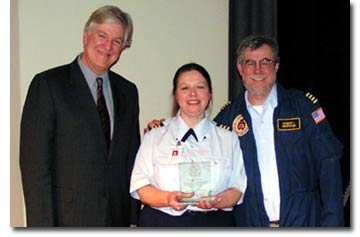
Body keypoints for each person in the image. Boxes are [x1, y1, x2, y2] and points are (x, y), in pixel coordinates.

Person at [147, 35, 345, 227]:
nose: (257, 70)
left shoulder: (303, 108)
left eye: (265, 62)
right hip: (250, 224)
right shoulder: (228, 118)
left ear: (276, 66)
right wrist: (164, 129)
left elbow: (329, 166)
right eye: (250, 63)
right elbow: (198, 145)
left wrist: (333, 223)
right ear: (240, 68)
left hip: (303, 222)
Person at [20, 5, 141, 227]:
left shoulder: (128, 92)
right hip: (67, 219)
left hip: (116, 219)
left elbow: (131, 160)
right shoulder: (48, 85)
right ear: (86, 36)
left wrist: (133, 218)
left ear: (123, 48)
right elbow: (34, 167)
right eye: (102, 36)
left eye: (117, 41)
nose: (108, 46)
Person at [130, 63, 247, 227]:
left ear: (209, 94)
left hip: (213, 224)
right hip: (162, 222)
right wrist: (168, 198)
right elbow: (141, 187)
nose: (193, 94)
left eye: (200, 87)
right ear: (176, 95)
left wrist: (217, 201)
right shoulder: (155, 136)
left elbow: (237, 189)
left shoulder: (228, 138)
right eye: (185, 88)